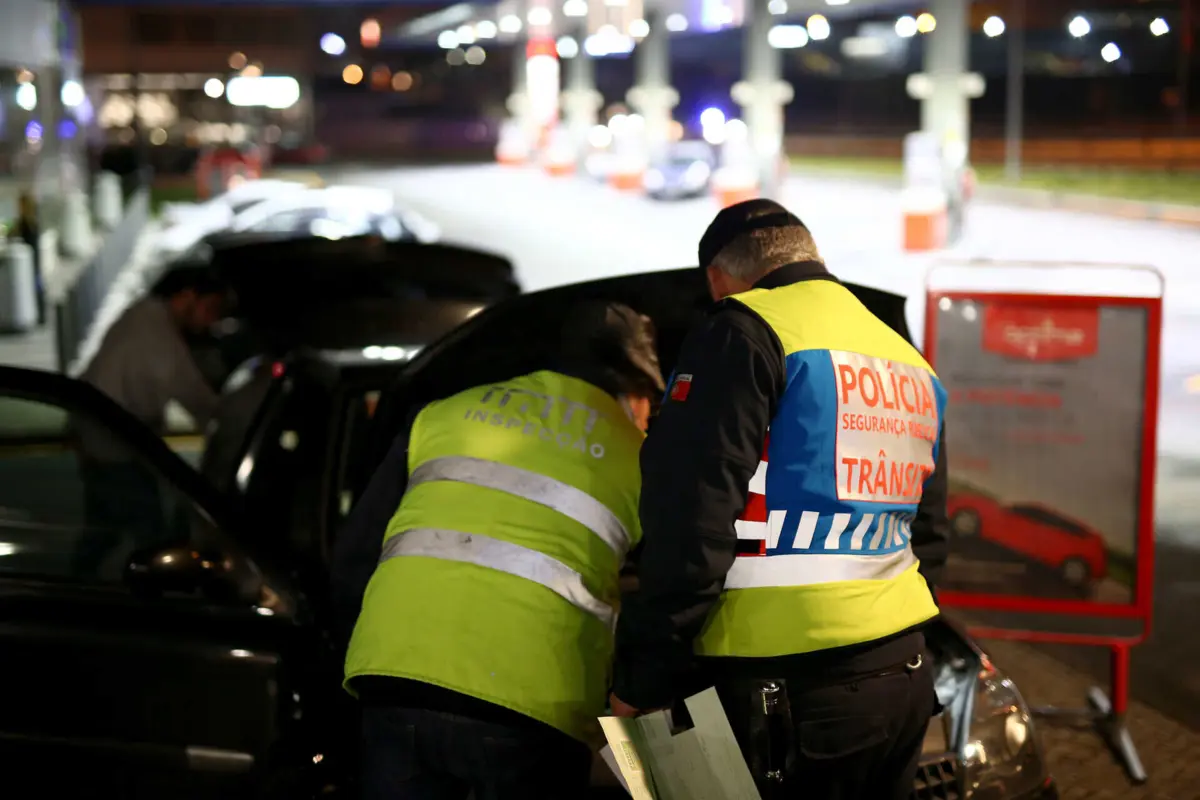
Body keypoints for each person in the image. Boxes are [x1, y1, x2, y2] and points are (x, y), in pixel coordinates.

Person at [610, 200, 950, 799]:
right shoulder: (903, 355)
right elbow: (931, 533)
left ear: (718, 277)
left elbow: (693, 519)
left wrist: (645, 675)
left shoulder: (742, 329)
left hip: (784, 688)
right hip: (902, 677)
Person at [332, 301, 664, 800]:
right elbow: (673, 586)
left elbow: (354, 559)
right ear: (635, 392)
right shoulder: (644, 457)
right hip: (531, 701)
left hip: (395, 682)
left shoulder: (444, 413)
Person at [70, 265, 231, 577]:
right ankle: (159, 599)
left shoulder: (146, 314)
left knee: (104, 525)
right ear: (186, 298)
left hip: (99, 435)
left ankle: (74, 586)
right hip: (112, 443)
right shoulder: (156, 332)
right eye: (210, 308)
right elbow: (191, 391)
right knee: (153, 531)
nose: (212, 320)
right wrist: (226, 418)